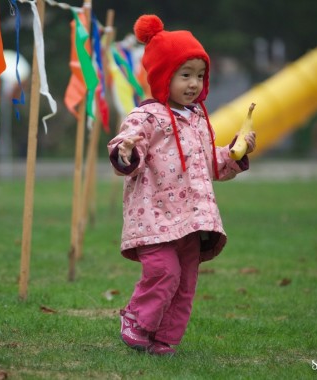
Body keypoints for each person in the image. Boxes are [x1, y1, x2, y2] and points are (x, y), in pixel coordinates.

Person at [107, 14, 256, 356]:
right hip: (155, 218)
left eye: (199, 76)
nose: (193, 84)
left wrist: (236, 153)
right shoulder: (147, 117)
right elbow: (129, 146)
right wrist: (125, 151)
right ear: (162, 76)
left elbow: (210, 164)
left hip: (192, 220)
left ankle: (164, 339)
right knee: (164, 272)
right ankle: (137, 320)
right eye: (184, 75)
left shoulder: (200, 119)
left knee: (185, 283)